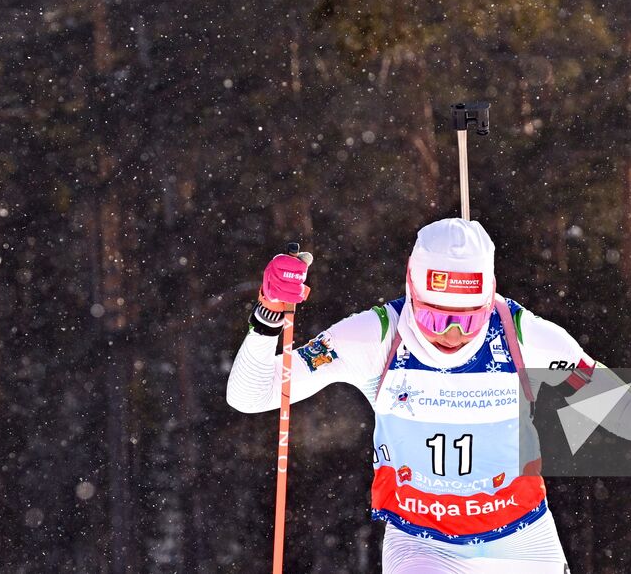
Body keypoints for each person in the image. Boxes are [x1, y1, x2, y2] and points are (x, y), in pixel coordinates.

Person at [227, 217, 603, 573]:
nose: (452, 334)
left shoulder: (525, 337)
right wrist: (269, 314)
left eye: (470, 319)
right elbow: (251, 395)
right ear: (412, 290)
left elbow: (622, 407)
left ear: (489, 299)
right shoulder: (374, 337)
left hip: (523, 544)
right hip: (422, 546)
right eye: (436, 318)